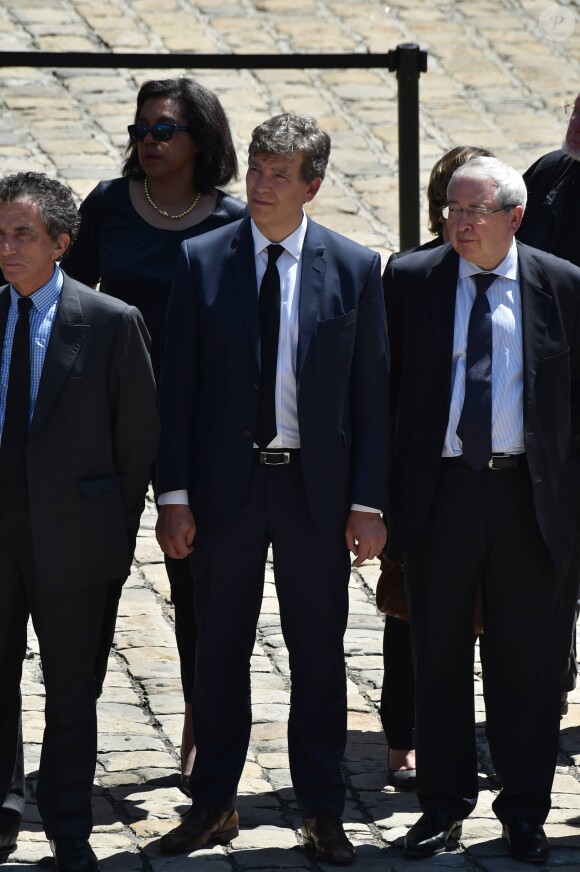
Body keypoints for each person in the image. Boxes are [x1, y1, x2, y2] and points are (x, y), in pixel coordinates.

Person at [155, 112, 390, 865]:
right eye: (256, 169)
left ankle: (322, 808)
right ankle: (214, 801)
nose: (260, 184)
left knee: (317, 653)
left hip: (313, 494)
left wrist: (367, 501)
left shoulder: (354, 268)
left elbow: (371, 395)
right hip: (225, 490)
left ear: (312, 186)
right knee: (217, 648)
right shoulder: (201, 259)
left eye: (279, 174)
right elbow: (176, 391)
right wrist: (175, 495)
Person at [385, 156, 580, 865]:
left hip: (529, 500)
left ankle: (524, 811)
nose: (459, 224)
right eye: (451, 210)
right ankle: (442, 806)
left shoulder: (561, 286)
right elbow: (387, 394)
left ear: (514, 218)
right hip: (442, 496)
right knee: (435, 656)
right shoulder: (410, 280)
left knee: (525, 666)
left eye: (474, 212)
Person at [63, 77, 246, 792]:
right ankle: (72, 730)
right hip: (106, 417)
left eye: (164, 130)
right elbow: (70, 299)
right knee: (83, 573)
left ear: (201, 138)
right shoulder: (109, 205)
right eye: (141, 129)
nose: (148, 141)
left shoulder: (230, 221)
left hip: (196, 424)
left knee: (196, 580)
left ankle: (201, 729)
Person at [0, 172, 158, 872]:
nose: (7, 248)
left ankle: (68, 819)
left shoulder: (110, 322)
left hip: (74, 537)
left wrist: (109, 533)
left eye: (23, 235)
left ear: (61, 243)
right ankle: (2, 811)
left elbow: (137, 441)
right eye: (1, 234)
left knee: (71, 689)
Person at [381, 145, 493, 791]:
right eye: (457, 205)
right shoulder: (410, 276)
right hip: (425, 480)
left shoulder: (538, 280)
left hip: (497, 480)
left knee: (504, 616)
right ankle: (405, 740)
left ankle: (495, 738)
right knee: (410, 615)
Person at [518, 93, 580, 716]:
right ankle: (548, 688)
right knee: (553, 556)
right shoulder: (550, 174)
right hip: (552, 407)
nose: (578, 120)